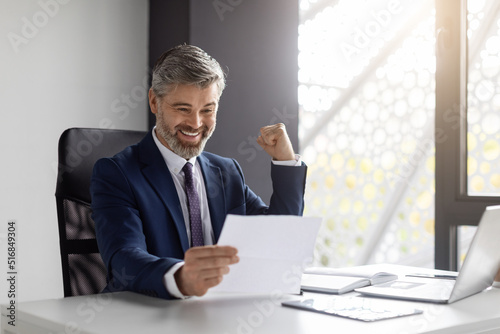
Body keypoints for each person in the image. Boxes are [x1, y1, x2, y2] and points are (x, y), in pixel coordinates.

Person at [90, 44, 307, 299]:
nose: (195, 124)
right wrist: (180, 277)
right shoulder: (117, 174)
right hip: (149, 315)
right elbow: (124, 258)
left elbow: (279, 238)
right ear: (154, 101)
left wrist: (285, 161)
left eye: (207, 110)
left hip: (220, 315)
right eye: (183, 109)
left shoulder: (226, 172)